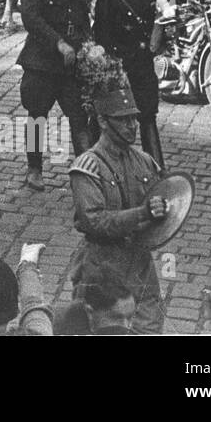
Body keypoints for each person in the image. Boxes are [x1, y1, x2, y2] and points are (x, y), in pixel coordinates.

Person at [68, 81, 168, 335]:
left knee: (149, 328)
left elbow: (163, 203)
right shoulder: (87, 167)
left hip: (139, 262)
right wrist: (142, 213)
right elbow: (94, 221)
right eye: (123, 120)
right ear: (103, 121)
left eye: (134, 119)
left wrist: (162, 210)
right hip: (101, 264)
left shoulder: (145, 162)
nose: (132, 126)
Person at [18, 0, 91, 191]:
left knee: (79, 117)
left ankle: (85, 170)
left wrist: (88, 46)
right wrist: (58, 42)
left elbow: (82, 18)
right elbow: (31, 18)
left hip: (72, 62)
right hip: (43, 60)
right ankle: (34, 169)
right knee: (37, 116)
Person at [93, 0, 164, 167]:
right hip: (121, 68)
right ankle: (109, 166)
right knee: (118, 121)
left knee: (148, 116)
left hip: (143, 67)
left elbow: (152, 27)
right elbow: (101, 36)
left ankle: (156, 167)